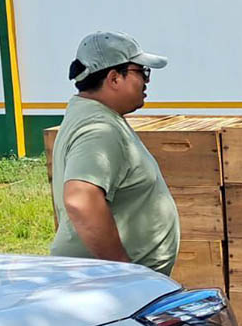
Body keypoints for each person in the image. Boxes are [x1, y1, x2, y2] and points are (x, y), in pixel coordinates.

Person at [49, 31, 179, 275]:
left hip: (107, 281)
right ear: (114, 78)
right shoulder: (99, 129)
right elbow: (80, 199)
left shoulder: (92, 115)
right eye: (142, 72)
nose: (146, 81)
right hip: (106, 284)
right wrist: (123, 272)